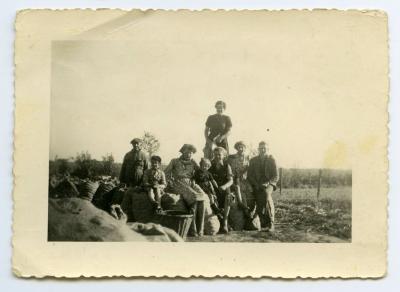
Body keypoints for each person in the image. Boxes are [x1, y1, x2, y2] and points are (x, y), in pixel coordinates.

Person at [164, 144, 206, 236]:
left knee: (202, 197)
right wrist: (170, 182)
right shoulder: (174, 161)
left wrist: (195, 178)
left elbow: (200, 173)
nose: (189, 155)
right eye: (187, 152)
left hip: (191, 183)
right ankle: (193, 228)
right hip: (178, 183)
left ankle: (201, 228)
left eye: (191, 153)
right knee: (194, 197)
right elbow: (166, 173)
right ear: (182, 152)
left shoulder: (193, 162)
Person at [247, 141, 279, 232]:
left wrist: (269, 183)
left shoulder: (272, 160)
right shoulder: (253, 160)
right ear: (258, 150)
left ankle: (271, 223)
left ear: (267, 149)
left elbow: (276, 176)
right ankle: (262, 220)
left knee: (266, 195)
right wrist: (256, 184)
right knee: (258, 198)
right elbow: (250, 175)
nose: (263, 150)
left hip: (269, 184)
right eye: (261, 148)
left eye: (264, 148)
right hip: (257, 184)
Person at [209, 147, 234, 234]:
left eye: (219, 155)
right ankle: (219, 219)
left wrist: (224, 186)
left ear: (223, 156)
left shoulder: (227, 166)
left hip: (224, 188)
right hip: (214, 189)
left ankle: (225, 222)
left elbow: (231, 180)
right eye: (215, 155)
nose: (217, 157)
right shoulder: (210, 165)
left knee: (228, 196)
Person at [228, 141, 256, 219]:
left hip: (246, 179)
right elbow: (229, 169)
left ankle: (252, 212)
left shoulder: (249, 157)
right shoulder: (232, 158)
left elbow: (251, 169)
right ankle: (244, 209)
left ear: (245, 148)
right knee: (240, 192)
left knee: (251, 192)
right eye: (239, 147)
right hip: (235, 179)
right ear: (236, 148)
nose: (241, 149)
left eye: (242, 147)